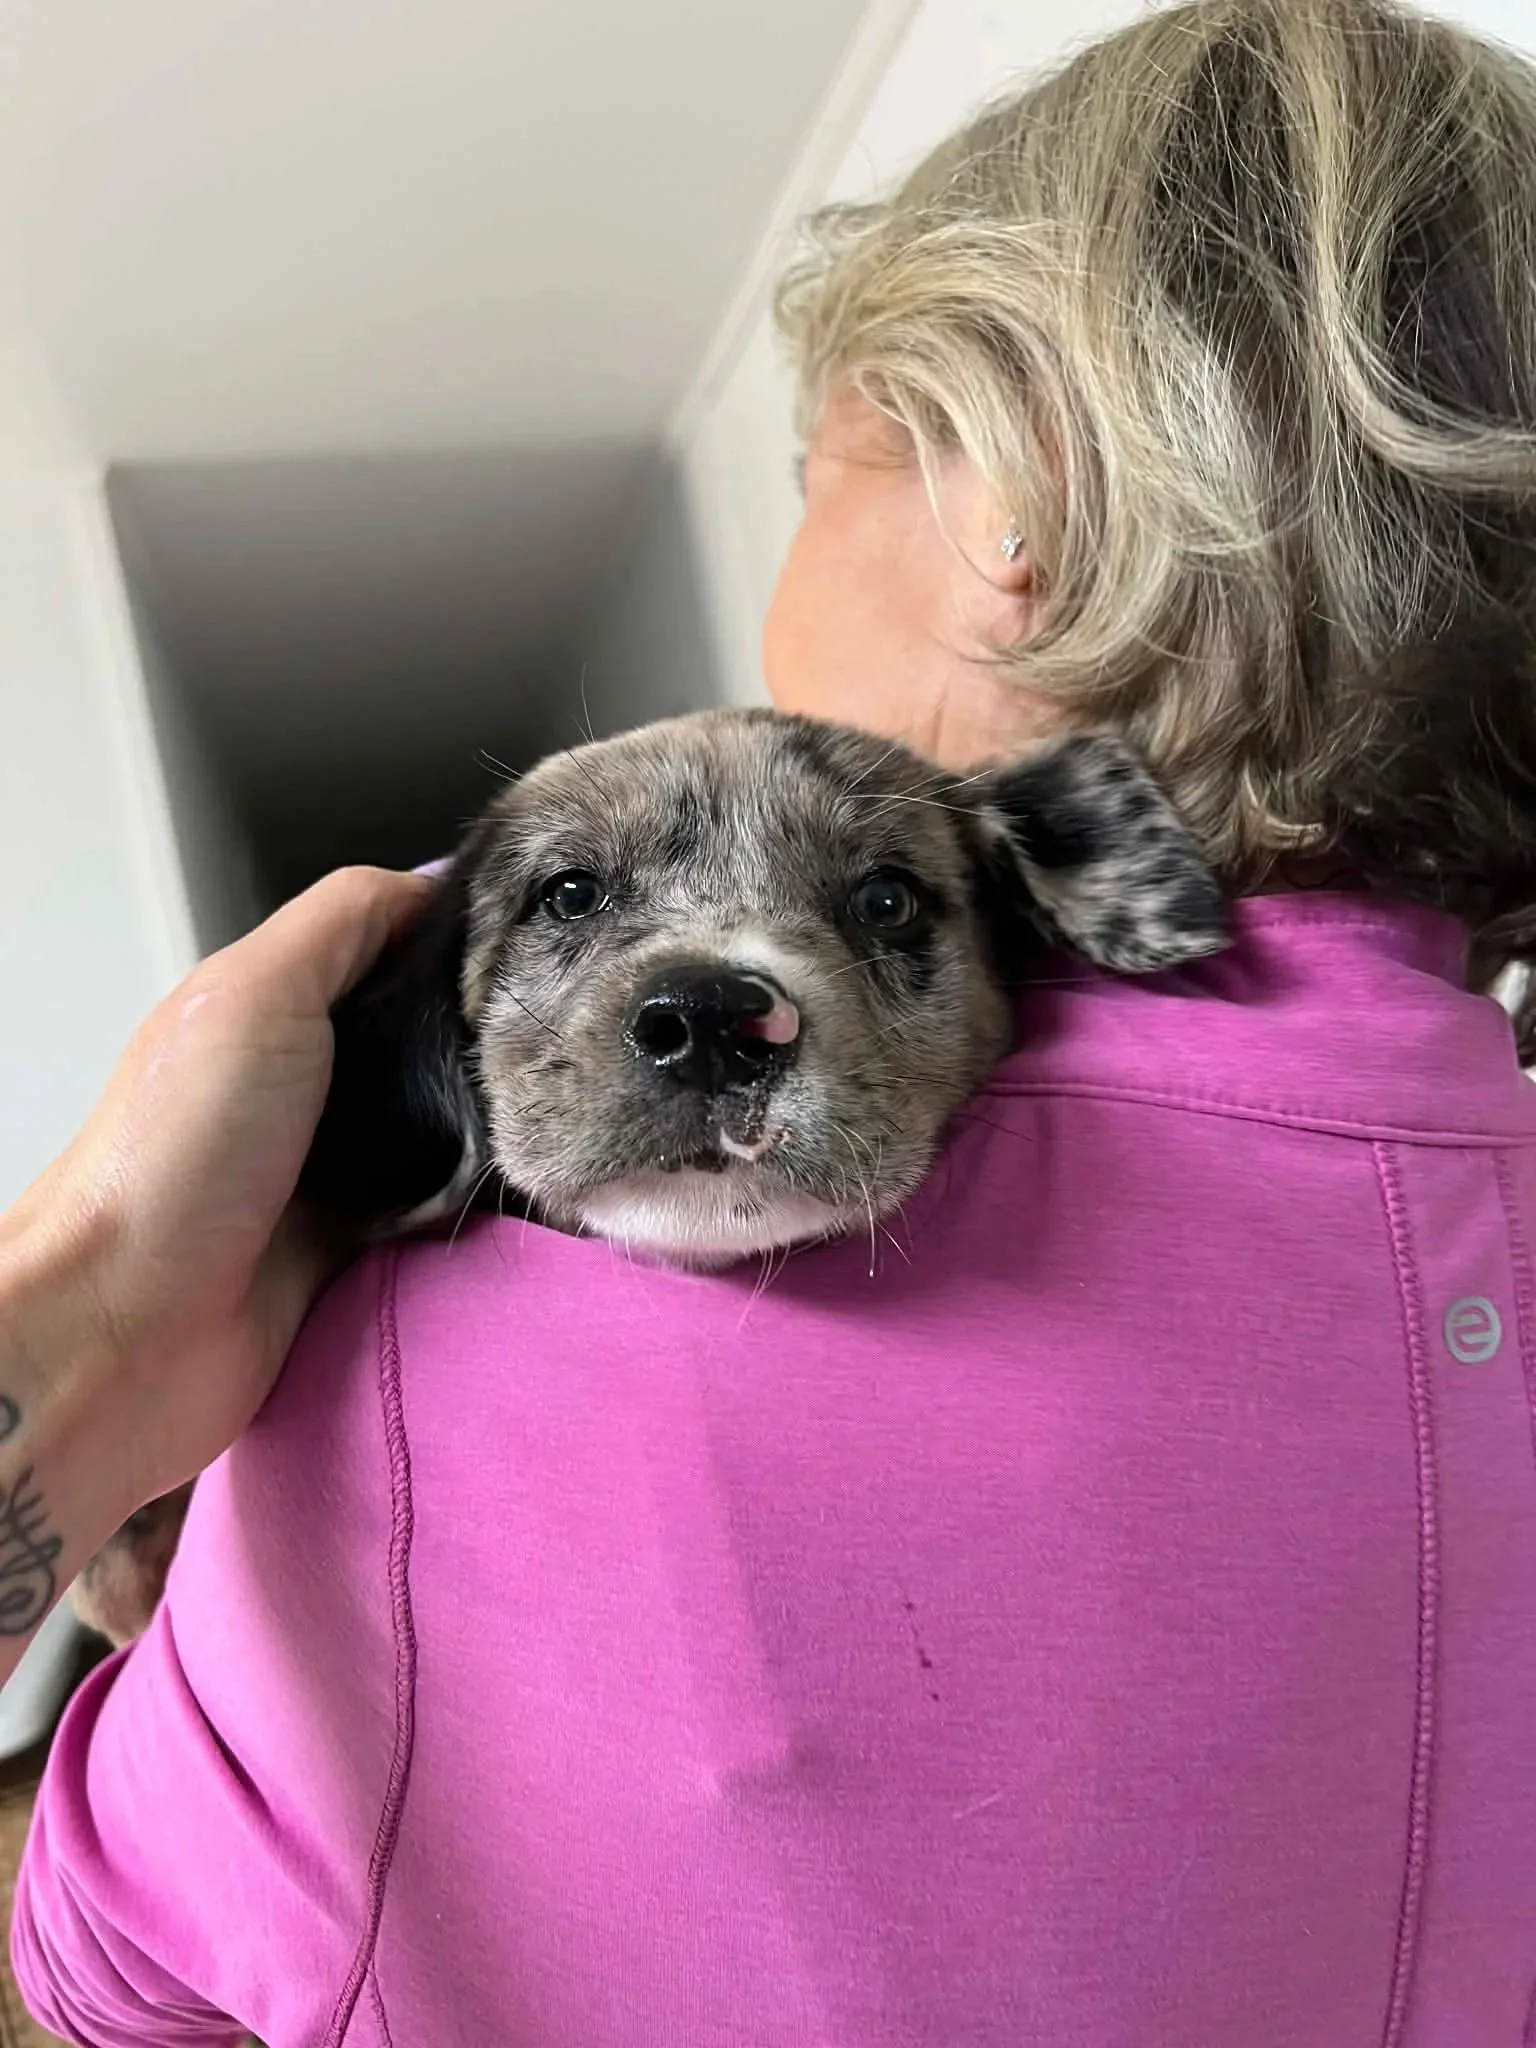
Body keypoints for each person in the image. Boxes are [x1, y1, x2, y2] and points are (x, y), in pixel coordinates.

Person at [8, 0, 1536, 2039]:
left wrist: (99, 1302)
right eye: (571, 900)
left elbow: (104, 1969)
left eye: (819, 470)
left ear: (1015, 493)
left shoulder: (418, 1395)